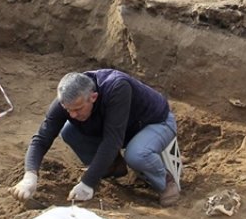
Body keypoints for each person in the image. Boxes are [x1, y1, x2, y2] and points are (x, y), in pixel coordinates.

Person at [10, 70, 181, 207]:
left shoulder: (117, 87)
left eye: (77, 109)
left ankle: (165, 181)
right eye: (68, 110)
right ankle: (113, 166)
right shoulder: (68, 100)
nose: (73, 114)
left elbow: (112, 141)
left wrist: (88, 183)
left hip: (154, 123)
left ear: (93, 97)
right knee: (69, 131)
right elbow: (41, 138)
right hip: (122, 128)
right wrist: (30, 176)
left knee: (136, 155)